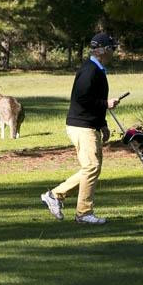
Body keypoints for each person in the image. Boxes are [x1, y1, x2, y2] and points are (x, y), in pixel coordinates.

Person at [40, 33, 122, 224]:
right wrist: (106, 104)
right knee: (91, 167)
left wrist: (103, 124)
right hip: (81, 126)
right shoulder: (90, 70)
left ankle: (55, 195)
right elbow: (82, 99)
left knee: (91, 168)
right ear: (101, 50)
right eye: (111, 48)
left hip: (89, 125)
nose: (113, 52)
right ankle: (83, 213)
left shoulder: (98, 69)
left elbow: (93, 99)